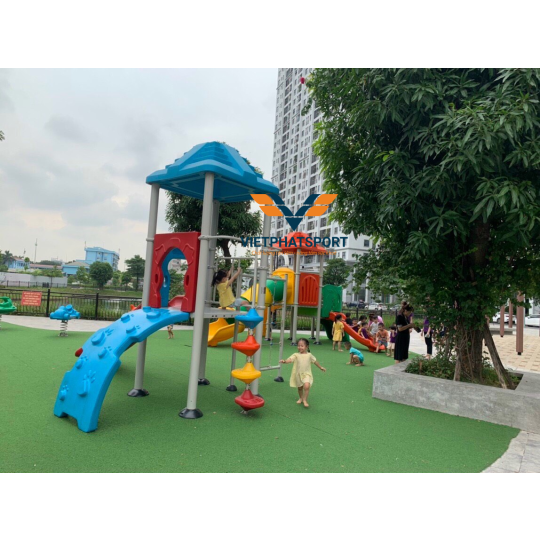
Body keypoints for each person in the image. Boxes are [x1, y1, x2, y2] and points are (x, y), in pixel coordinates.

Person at [279, 338, 326, 408]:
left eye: (302, 346)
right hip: (298, 374)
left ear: (306, 346)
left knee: (306, 386)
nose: (300, 347)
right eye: (298, 346)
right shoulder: (296, 355)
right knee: (300, 388)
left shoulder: (309, 355)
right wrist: (285, 361)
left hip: (307, 374)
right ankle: (301, 398)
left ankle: (305, 399)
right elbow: (290, 359)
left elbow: (315, 361)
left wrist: (320, 367)